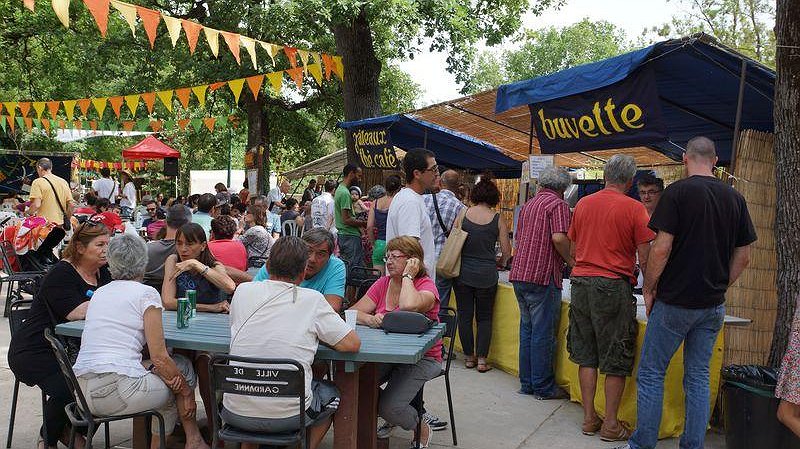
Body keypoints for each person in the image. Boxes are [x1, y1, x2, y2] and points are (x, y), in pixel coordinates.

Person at [620, 137, 756, 449]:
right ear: (715, 160)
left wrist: (650, 288)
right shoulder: (736, 199)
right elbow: (744, 257)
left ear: (685, 159)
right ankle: (693, 445)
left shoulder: (678, 193)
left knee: (652, 373)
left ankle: (642, 445)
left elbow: (661, 249)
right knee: (697, 377)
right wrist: (720, 286)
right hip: (711, 306)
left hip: (675, 301)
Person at [72, 234, 209, 449]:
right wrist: (185, 391)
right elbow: (160, 357)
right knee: (177, 378)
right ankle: (186, 441)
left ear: (111, 262)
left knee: (178, 368)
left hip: (82, 392)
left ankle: (193, 440)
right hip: (117, 392)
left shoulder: (99, 293)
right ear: (143, 262)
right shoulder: (146, 294)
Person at [226, 237, 360, 449]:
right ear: (302, 272)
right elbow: (351, 344)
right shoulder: (313, 300)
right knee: (331, 393)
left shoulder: (242, 292)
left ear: (268, 265)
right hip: (289, 415)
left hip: (234, 411)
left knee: (252, 386)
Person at [567, 154, 655, 441]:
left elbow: (573, 244)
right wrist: (652, 288)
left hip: (581, 282)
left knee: (587, 352)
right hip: (613, 283)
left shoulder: (583, 204)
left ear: (605, 176)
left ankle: (590, 418)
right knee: (616, 353)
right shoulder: (634, 209)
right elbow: (645, 255)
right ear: (630, 182)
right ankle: (611, 424)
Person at [7, 222, 112, 449]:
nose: (106, 249)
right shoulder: (61, 273)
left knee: (106, 383)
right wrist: (112, 301)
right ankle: (49, 438)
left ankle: (69, 431)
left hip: (74, 349)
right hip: (36, 349)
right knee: (73, 387)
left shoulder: (103, 272)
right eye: (100, 244)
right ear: (81, 248)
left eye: (108, 244)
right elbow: (75, 313)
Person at [348, 236, 442, 448]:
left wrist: (409, 275)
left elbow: (408, 305)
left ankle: (419, 425)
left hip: (423, 358)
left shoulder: (426, 286)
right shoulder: (383, 283)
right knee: (357, 385)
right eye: (387, 256)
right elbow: (353, 311)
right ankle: (374, 428)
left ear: (413, 261)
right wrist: (370, 319)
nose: (388, 261)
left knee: (389, 407)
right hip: (388, 353)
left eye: (395, 257)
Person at [509, 167, 573, 399]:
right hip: (542, 275)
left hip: (520, 273)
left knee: (527, 330)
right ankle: (543, 386)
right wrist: (571, 260)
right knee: (542, 334)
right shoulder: (558, 205)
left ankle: (527, 384)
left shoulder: (529, 205)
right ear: (563, 188)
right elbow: (558, 237)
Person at [453, 173, 511, 373]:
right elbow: (506, 251)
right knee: (485, 318)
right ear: (494, 198)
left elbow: (454, 241)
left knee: (465, 315)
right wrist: (500, 262)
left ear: (475, 195)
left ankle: (469, 357)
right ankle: (482, 360)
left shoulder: (463, 214)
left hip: (463, 273)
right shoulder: (497, 219)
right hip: (487, 274)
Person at [254, 228, 346, 312]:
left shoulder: (335, 266)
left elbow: (332, 308)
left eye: (321, 254)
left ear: (329, 257)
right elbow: (254, 296)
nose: (312, 259)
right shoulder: (282, 258)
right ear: (300, 250)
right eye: (308, 251)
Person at [386, 149, 438, 281]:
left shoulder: (411, 198)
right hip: (413, 286)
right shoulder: (410, 202)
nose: (437, 174)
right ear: (417, 174)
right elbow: (408, 251)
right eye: (433, 169)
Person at [162, 223, 236, 311]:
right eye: (179, 243)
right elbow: (168, 302)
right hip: (182, 316)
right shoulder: (173, 261)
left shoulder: (214, 265)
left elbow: (230, 287)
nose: (183, 249)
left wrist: (197, 265)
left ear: (203, 246)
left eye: (189, 244)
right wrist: (210, 308)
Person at [423, 169, 465, 306]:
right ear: (458, 187)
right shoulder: (462, 208)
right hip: (444, 262)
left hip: (422, 258)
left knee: (420, 298)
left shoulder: (424, 200)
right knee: (440, 303)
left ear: (440, 182)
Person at [144, 204, 192, 290]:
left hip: (149, 296)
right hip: (179, 296)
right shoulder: (192, 250)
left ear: (165, 222)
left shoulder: (147, 249)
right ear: (189, 224)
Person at [335, 164, 367, 275]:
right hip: (350, 236)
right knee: (352, 272)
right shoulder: (344, 193)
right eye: (358, 176)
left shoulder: (340, 190)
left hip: (345, 235)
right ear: (351, 174)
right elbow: (346, 219)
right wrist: (364, 223)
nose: (360, 179)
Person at [27, 157, 73, 229]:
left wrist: (28, 213)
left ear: (39, 168)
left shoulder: (37, 182)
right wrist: (67, 219)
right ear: (50, 168)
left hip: (44, 226)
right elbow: (71, 205)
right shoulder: (63, 182)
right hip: (59, 226)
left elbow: (36, 205)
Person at [368, 175, 401, 274]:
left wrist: (373, 244)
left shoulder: (375, 203)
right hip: (394, 245)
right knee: (392, 280)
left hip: (379, 244)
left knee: (378, 280)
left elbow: (369, 226)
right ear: (399, 188)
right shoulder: (398, 202)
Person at [240, 204, 274, 270]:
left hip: (255, 266)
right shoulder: (261, 229)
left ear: (254, 216)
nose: (244, 215)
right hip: (262, 265)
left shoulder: (255, 230)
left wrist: (240, 228)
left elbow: (236, 244)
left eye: (247, 213)